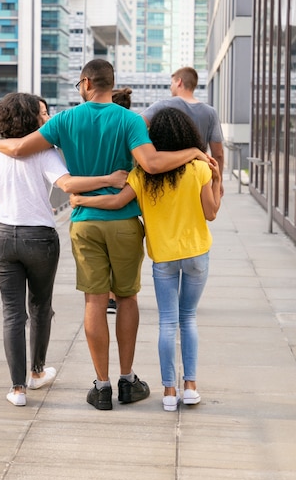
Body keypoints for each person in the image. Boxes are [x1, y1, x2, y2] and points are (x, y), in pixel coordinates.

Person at [0, 59, 209, 411]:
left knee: (95, 300)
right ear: (111, 83)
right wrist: (195, 151)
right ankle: (127, 380)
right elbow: (152, 164)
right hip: (123, 222)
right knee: (127, 298)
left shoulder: (64, 120)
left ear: (87, 82)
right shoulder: (131, 121)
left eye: (79, 83)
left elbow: (17, 148)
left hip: (85, 222)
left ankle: (102, 386)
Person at [70, 107, 221, 411]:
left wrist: (81, 199)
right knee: (187, 317)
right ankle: (189, 386)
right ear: (187, 136)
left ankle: (167, 392)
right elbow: (212, 212)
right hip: (196, 254)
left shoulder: (142, 175)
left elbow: (115, 201)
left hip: (163, 257)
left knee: (167, 321)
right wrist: (217, 179)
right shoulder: (199, 169)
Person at [0, 92, 127, 407]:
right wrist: (111, 178)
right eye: (43, 114)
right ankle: (36, 372)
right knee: (40, 308)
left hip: (2, 237)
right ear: (32, 118)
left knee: (12, 313)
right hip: (39, 238)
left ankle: (17, 389)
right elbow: (68, 185)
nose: (47, 119)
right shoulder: (45, 154)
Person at [142, 66, 224, 195]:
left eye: (171, 83)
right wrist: (218, 181)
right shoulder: (210, 112)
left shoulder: (163, 105)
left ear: (179, 82)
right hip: (199, 179)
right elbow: (218, 154)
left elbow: (136, 126)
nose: (170, 87)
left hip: (164, 177)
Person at [106, 86, 134, 314]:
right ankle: (115, 295)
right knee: (123, 270)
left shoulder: (99, 129)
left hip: (92, 213)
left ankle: (107, 297)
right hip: (126, 209)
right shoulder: (132, 126)